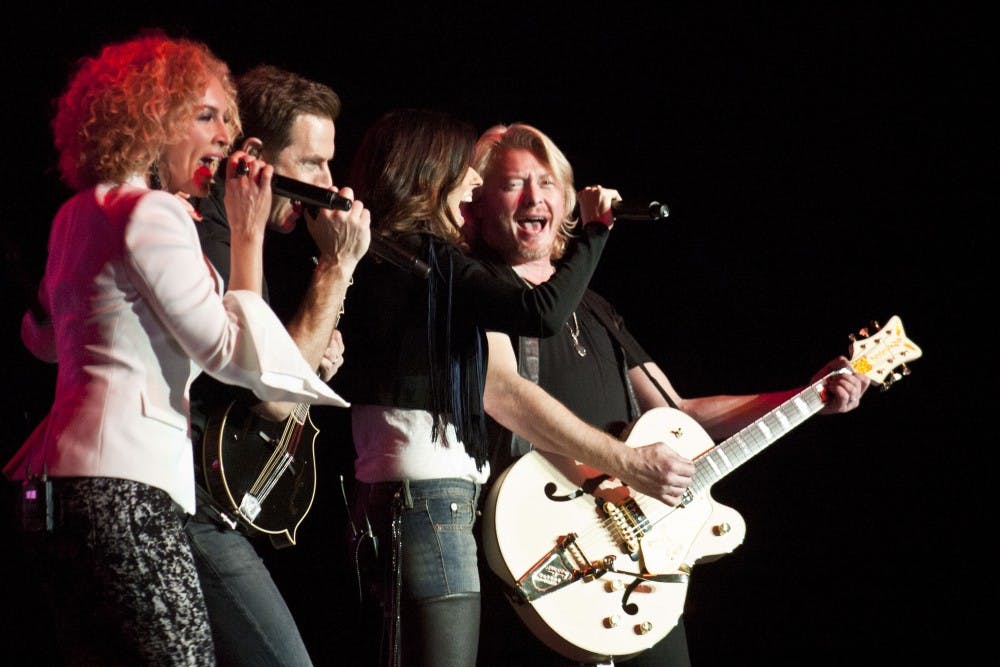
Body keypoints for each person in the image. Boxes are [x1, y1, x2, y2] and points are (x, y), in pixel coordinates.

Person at [463, 122, 873, 666]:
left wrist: (807, 393)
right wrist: (626, 463)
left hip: (635, 565)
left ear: (565, 199)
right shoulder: (482, 292)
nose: (535, 198)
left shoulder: (595, 306)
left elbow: (678, 412)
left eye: (546, 183)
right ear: (480, 203)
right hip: (544, 542)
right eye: (514, 184)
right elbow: (505, 398)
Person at [1, 33, 348, 666]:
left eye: (227, 118)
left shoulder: (80, 210)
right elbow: (230, 355)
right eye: (205, 115)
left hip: (64, 487)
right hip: (127, 487)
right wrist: (247, 235)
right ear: (150, 119)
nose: (223, 135)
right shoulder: (154, 211)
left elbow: (48, 342)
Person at [331, 108, 618, 667]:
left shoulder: (389, 256)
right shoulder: (431, 261)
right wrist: (594, 232)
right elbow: (542, 311)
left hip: (397, 499)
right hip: (430, 499)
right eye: (467, 172)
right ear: (429, 174)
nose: (475, 185)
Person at [186, 64, 370, 667]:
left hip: (204, 500)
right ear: (256, 154)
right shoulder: (214, 230)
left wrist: (309, 348)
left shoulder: (240, 235)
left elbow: (272, 367)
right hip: (186, 503)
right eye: (312, 164)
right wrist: (337, 268)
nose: (328, 184)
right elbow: (274, 397)